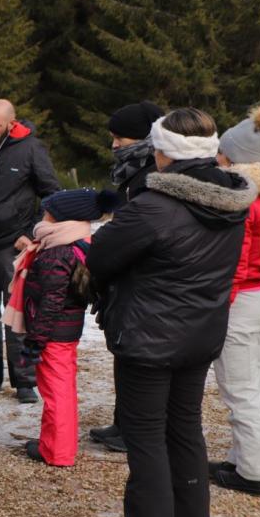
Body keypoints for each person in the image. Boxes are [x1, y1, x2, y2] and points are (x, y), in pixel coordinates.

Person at [87, 108, 256, 517]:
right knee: (185, 434)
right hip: (200, 334)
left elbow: (100, 256)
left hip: (148, 338)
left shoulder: (154, 206)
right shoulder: (233, 200)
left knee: (146, 443)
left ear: (165, 153)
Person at [5, 189, 115, 467]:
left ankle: (58, 452)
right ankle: (52, 443)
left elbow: (51, 302)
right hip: (65, 332)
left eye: (48, 210)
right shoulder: (75, 244)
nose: (43, 215)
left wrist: (36, 340)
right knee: (61, 389)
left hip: (54, 334)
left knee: (56, 393)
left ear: (60, 216)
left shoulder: (58, 252)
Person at [0, 99, 60, 403]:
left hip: (12, 246)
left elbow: (52, 194)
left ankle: (24, 381)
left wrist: (29, 232)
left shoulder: (31, 149)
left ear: (11, 122)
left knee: (16, 314)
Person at [90, 101, 164, 453]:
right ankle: (123, 422)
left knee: (136, 358)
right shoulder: (131, 170)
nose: (114, 144)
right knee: (122, 352)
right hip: (125, 279)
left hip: (141, 279)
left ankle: (132, 428)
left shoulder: (151, 176)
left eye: (120, 137)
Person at [209, 105, 260, 496]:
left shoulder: (243, 202)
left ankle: (255, 472)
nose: (217, 158)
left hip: (243, 300)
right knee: (256, 382)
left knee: (240, 387)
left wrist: (217, 305)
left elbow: (236, 262)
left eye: (223, 153)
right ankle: (243, 456)